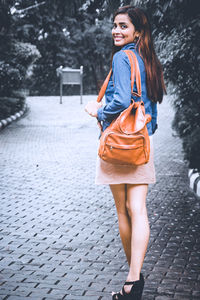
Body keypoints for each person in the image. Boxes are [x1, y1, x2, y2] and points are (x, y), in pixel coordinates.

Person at [85, 5, 166, 300]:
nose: (116, 31)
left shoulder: (122, 58)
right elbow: (152, 110)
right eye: (114, 25)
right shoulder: (149, 60)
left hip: (118, 144)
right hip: (141, 142)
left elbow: (119, 100)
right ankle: (134, 278)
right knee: (139, 210)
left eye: (123, 26)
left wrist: (97, 109)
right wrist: (145, 128)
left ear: (138, 31)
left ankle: (132, 282)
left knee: (124, 212)